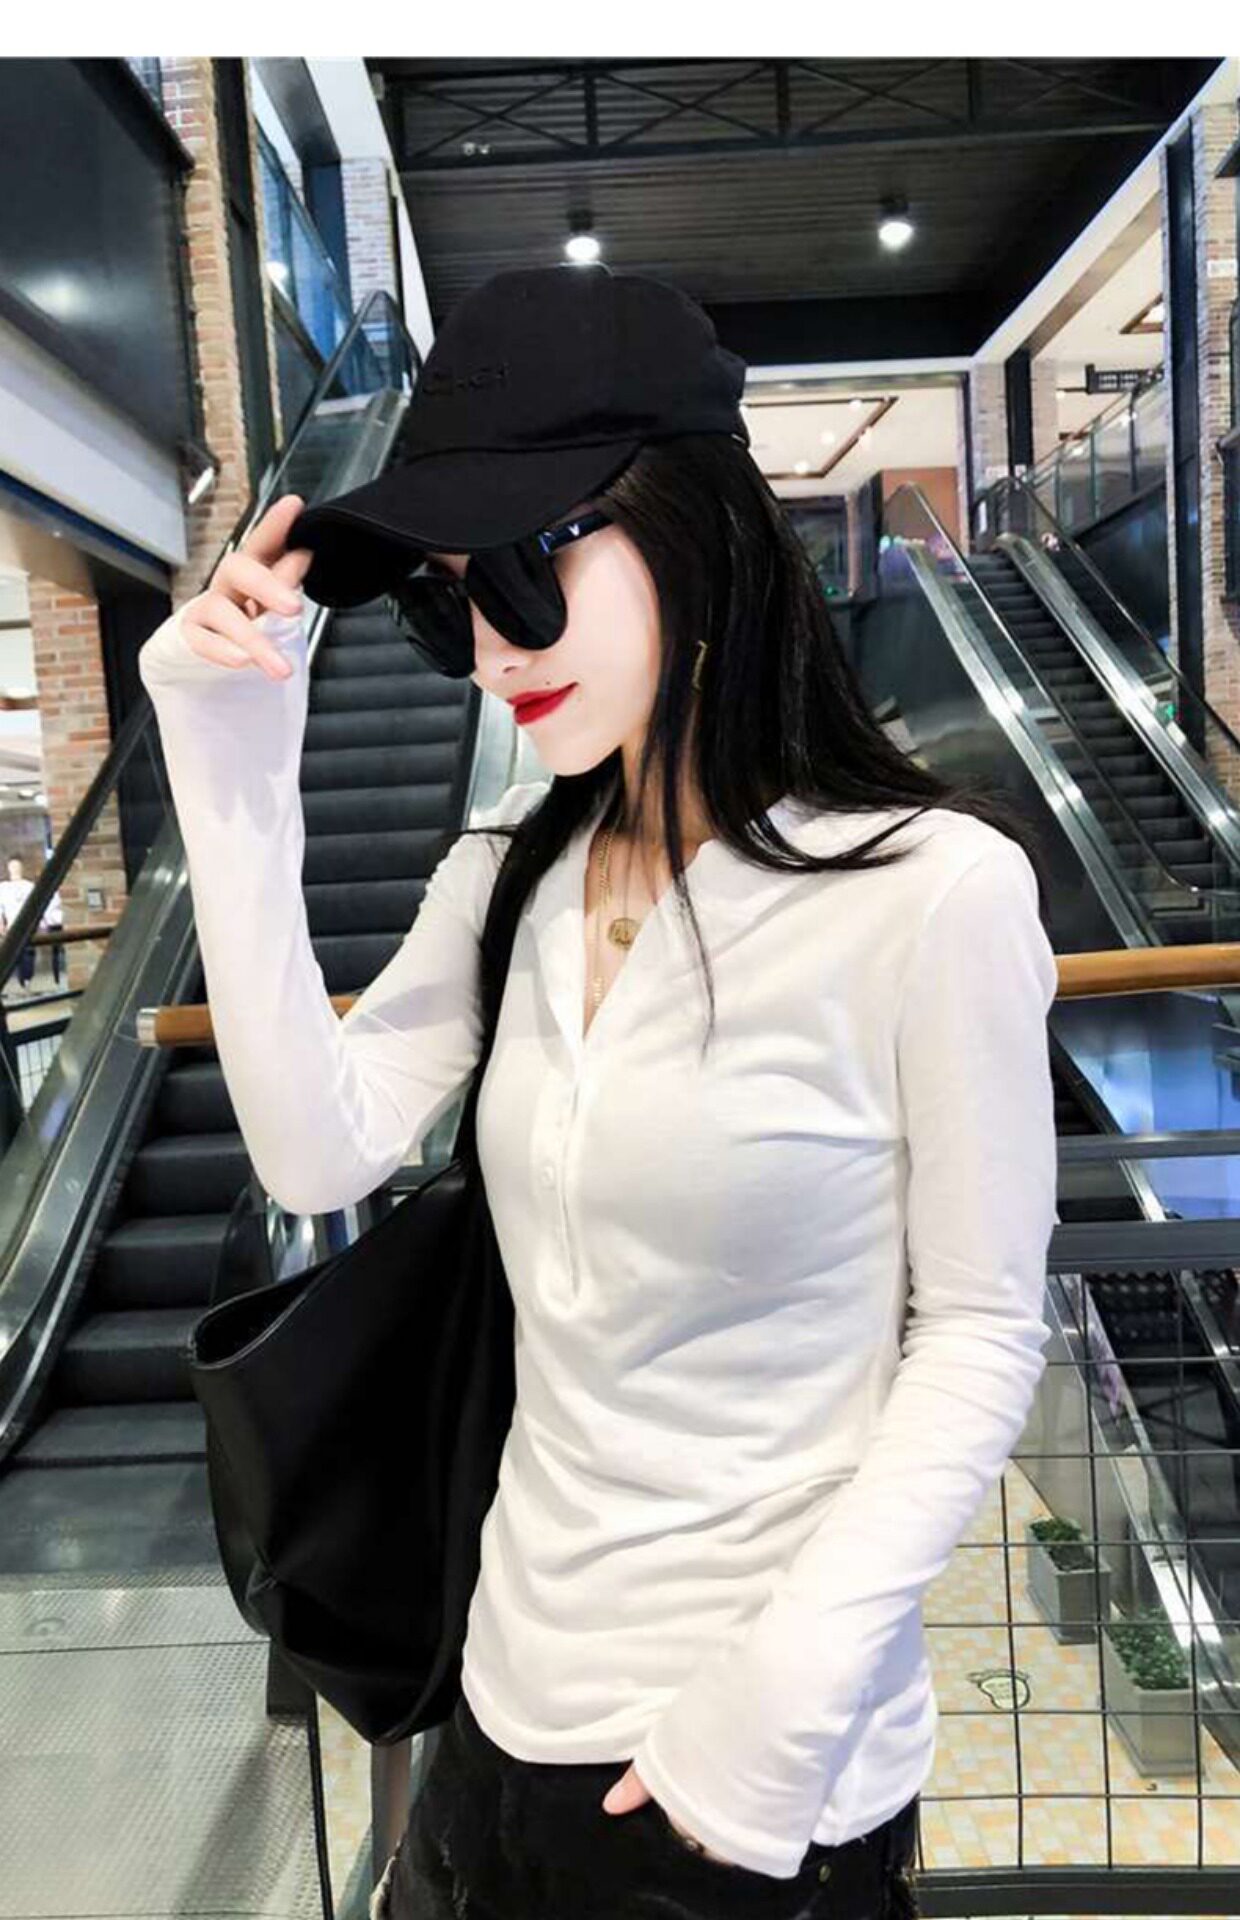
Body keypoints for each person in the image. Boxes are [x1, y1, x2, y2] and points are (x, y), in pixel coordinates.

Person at [138, 264, 1059, 1920]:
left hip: (737, 1779)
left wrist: (772, 1715)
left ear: (692, 526)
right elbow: (316, 1147)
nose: (491, 650)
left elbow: (984, 1332)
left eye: (518, 566)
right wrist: (230, 772)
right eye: (446, 606)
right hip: (495, 1712)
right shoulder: (511, 871)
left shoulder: (934, 893)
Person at [0, 854, 37, 993]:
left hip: (27, 926)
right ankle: (18, 982)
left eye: (17, 866)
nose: (15, 869)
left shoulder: (30, 886)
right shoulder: (3, 888)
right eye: (13, 866)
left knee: (29, 953)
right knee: (14, 955)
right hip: (11, 926)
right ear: (8, 868)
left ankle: (27, 982)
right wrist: (1, 924)